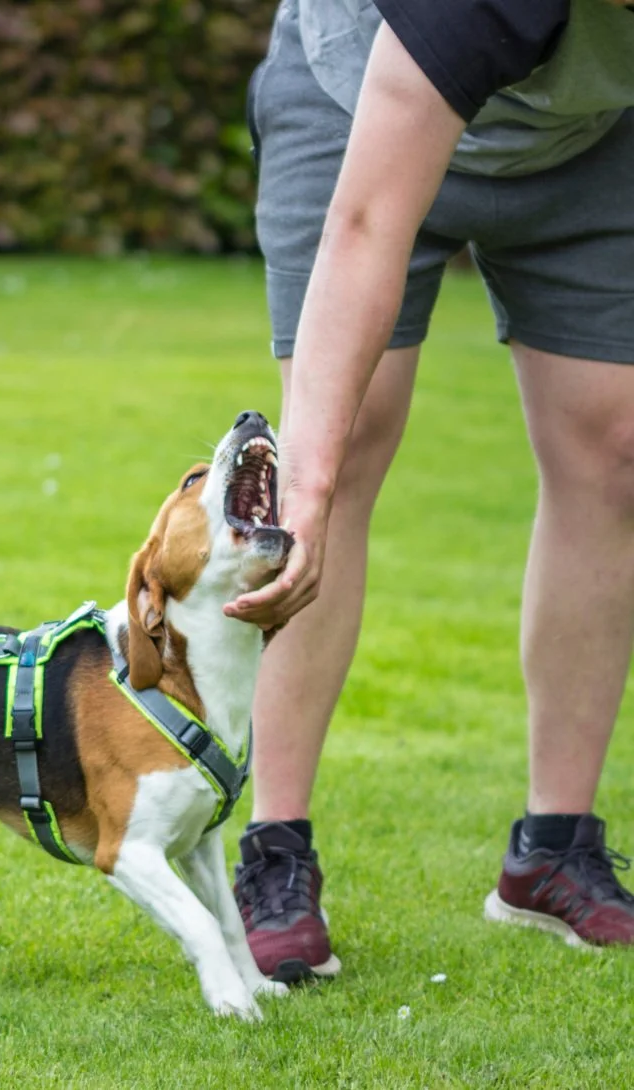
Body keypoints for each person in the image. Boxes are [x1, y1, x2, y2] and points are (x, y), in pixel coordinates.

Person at [225, 0, 634, 981]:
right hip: (356, 96)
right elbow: (366, 221)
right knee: (348, 436)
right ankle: (274, 849)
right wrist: (306, 485)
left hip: (586, 133)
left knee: (614, 447)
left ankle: (551, 848)